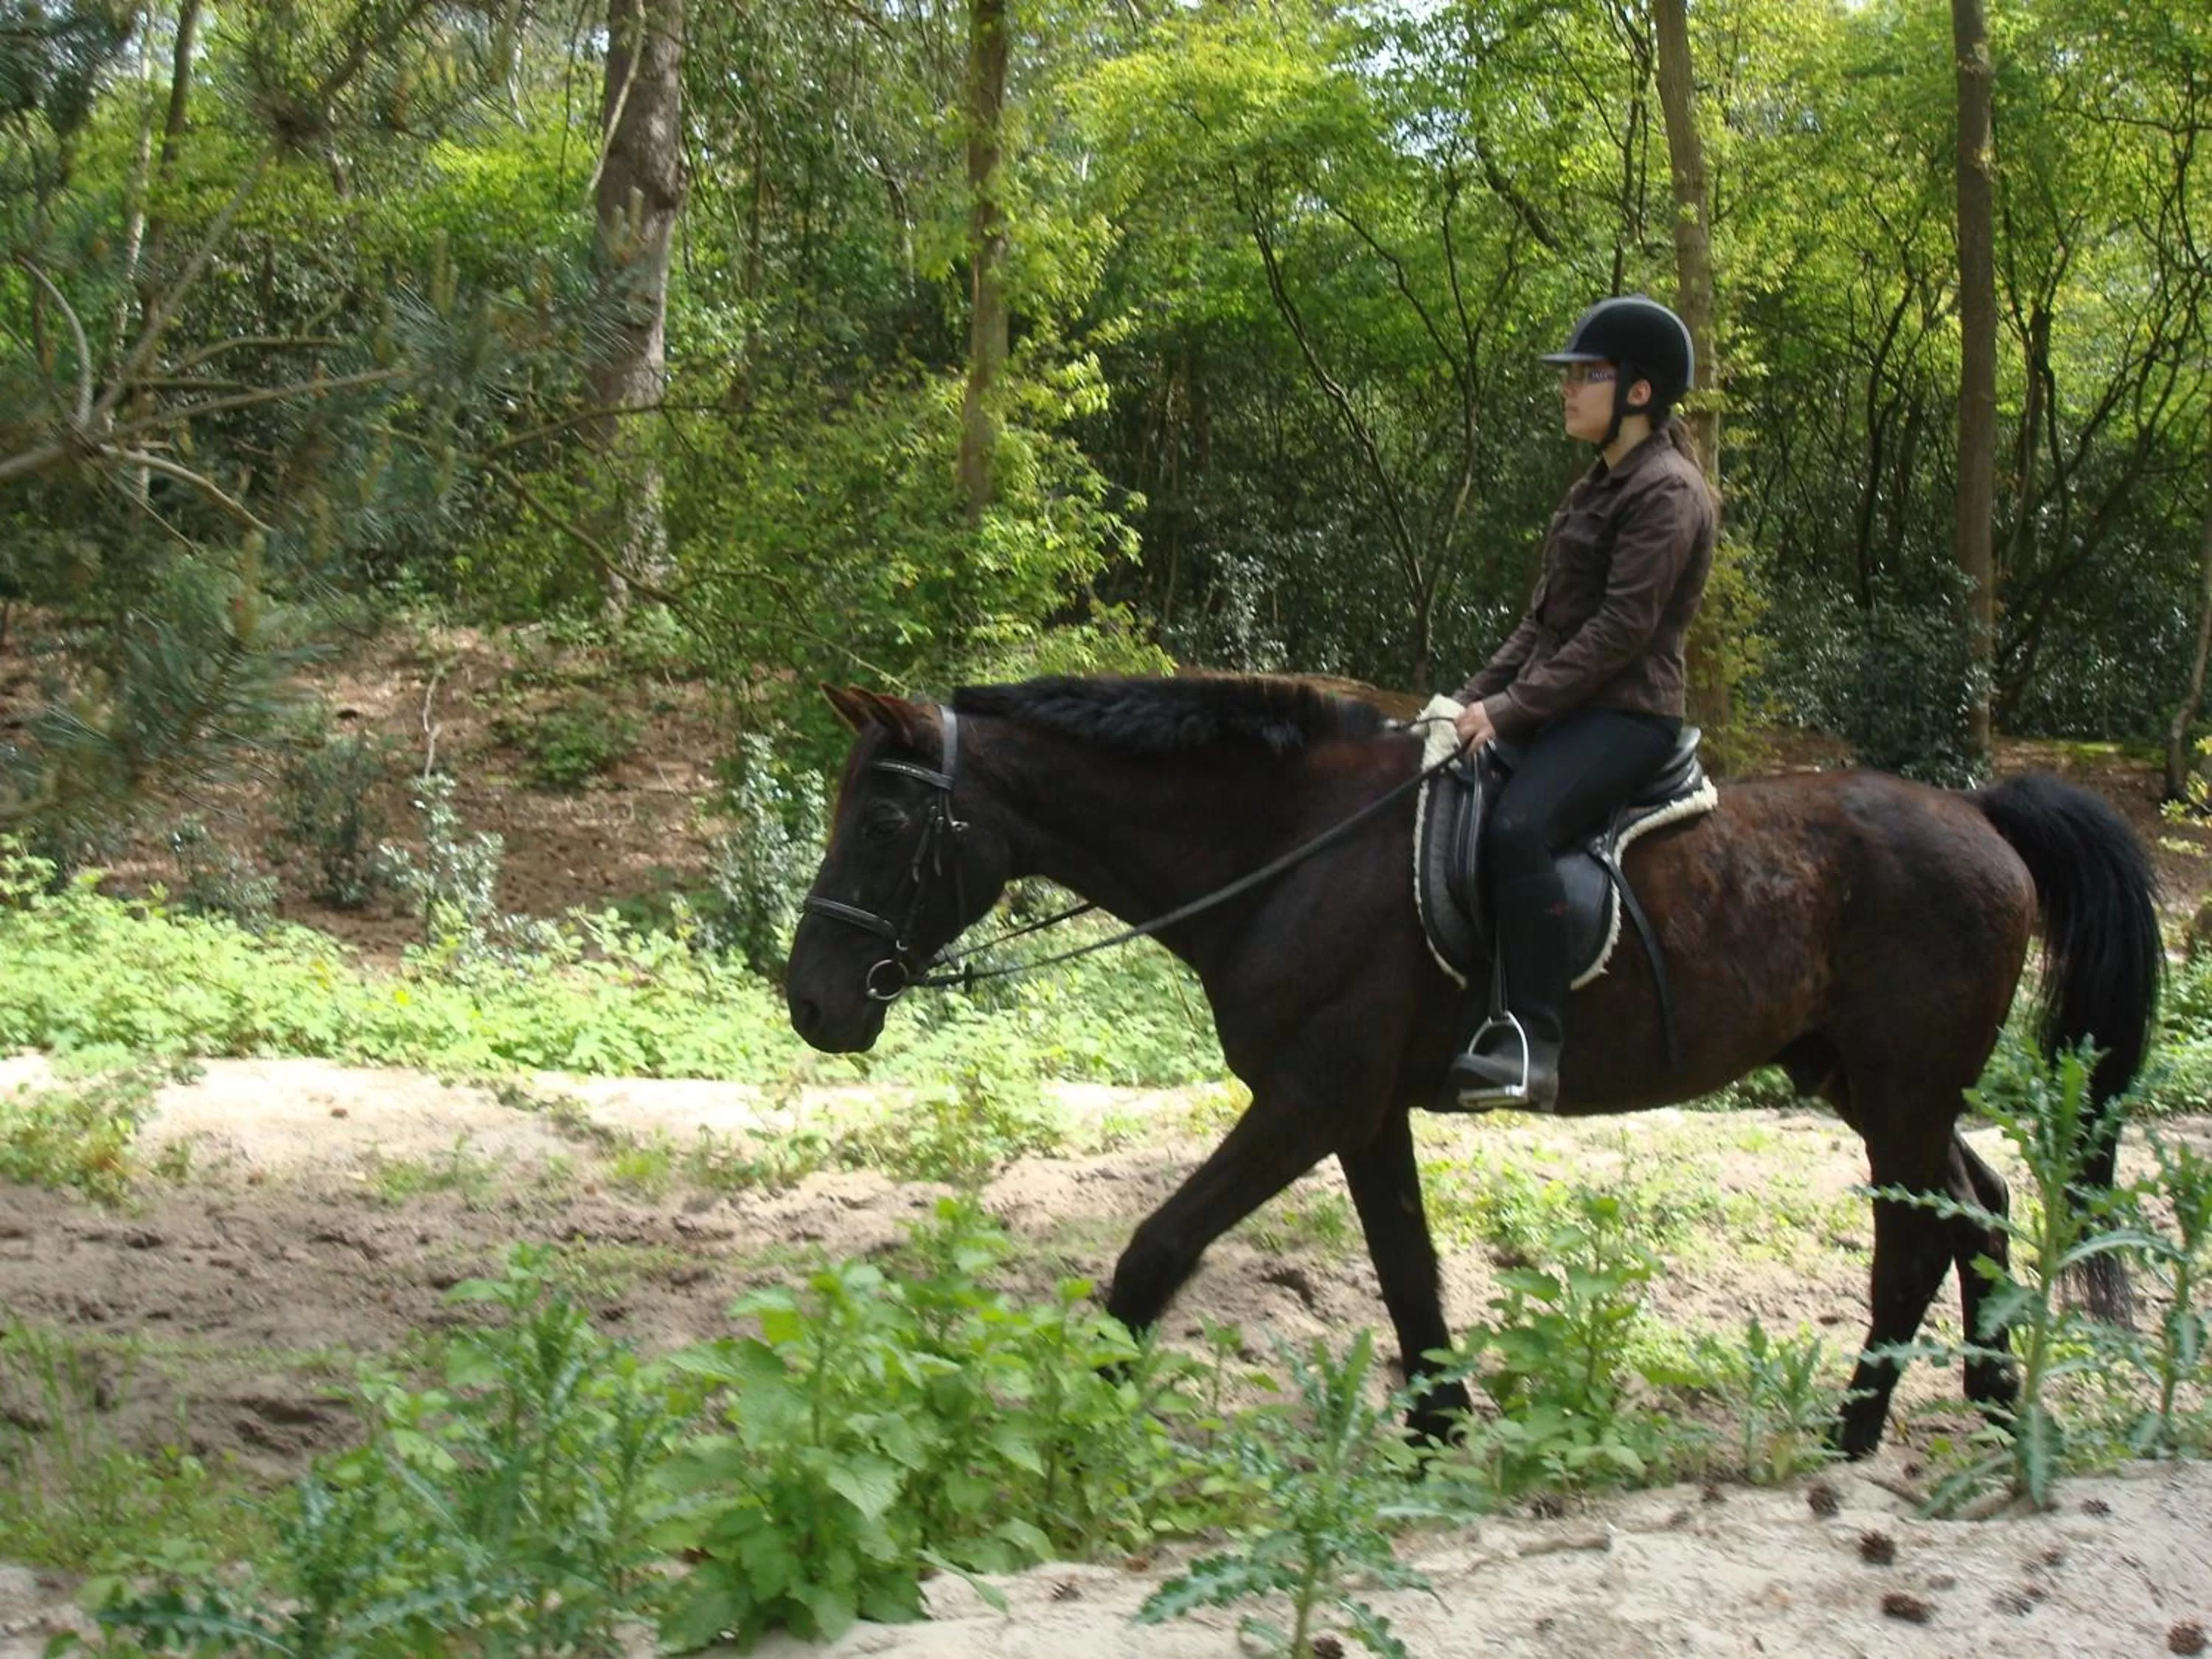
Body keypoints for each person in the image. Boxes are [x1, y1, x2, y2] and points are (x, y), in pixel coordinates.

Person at [1446, 294, 1717, 1112]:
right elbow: (1543, 625)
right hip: (1569, 708)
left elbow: (1617, 635)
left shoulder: (1667, 493)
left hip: (1627, 716)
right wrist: (1460, 703)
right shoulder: (1594, 488)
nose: (1566, 391)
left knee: (1521, 826)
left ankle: (1533, 1042)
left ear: (1638, 390)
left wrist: (1509, 713)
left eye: (1585, 376)